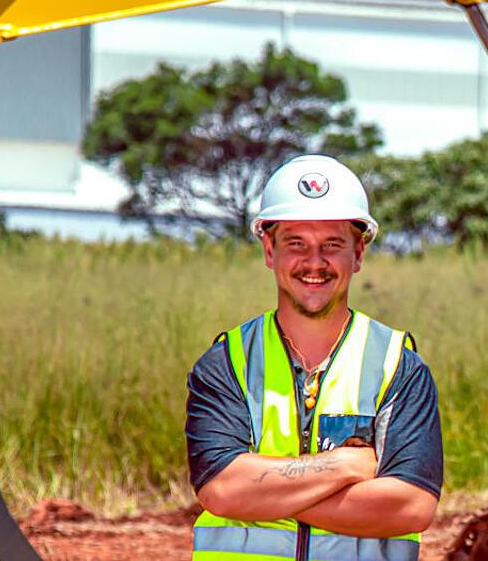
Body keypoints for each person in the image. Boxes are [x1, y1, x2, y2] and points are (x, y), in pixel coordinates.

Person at [185, 155, 442, 561]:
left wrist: (261, 497)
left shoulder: (399, 367)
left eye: (332, 245)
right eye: (296, 244)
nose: (314, 263)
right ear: (269, 250)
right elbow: (221, 489)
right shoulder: (226, 363)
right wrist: (343, 467)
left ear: (358, 253)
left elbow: (410, 506)